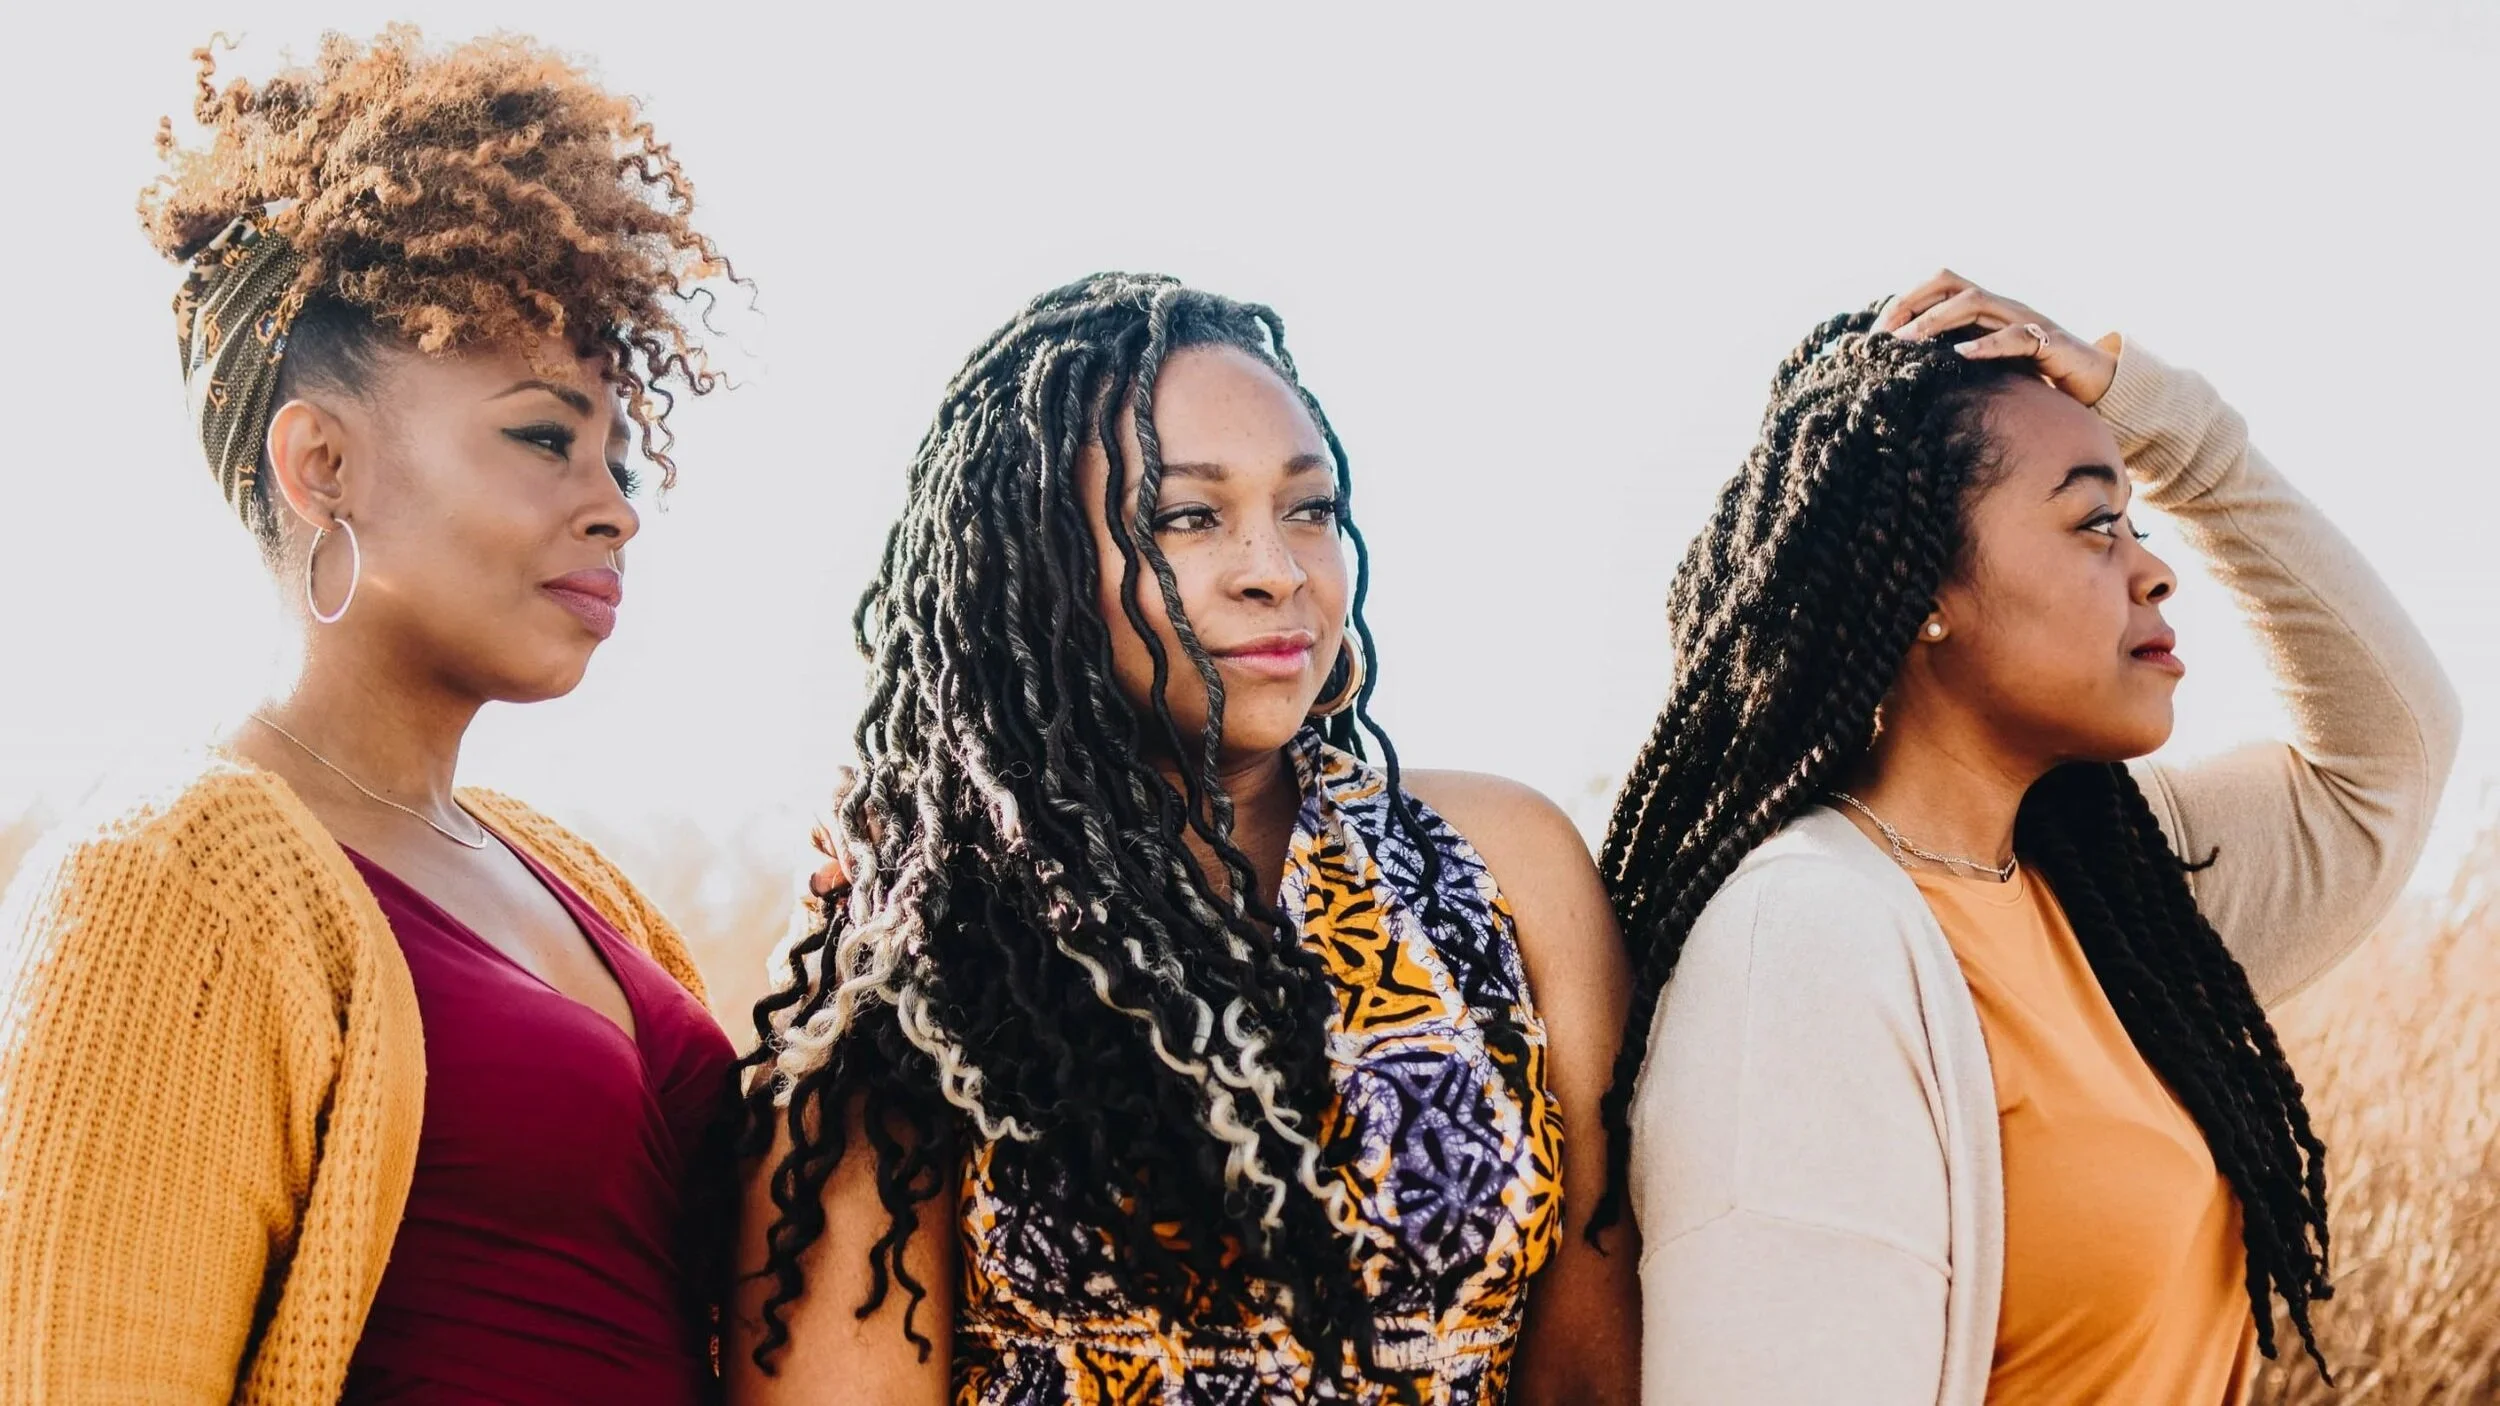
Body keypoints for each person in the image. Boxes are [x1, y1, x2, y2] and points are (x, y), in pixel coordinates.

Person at [729, 274, 1639, 1405]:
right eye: (1187, 518)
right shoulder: (924, 944)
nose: (1277, 569)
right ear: (1034, 564)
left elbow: (1591, 1364)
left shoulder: (1498, 866)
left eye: (1310, 508)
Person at [0, 29, 742, 1403]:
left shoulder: (581, 885)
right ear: (323, 461)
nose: (614, 510)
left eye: (621, 460)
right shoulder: (167, 875)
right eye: (544, 436)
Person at [1597, 270, 2460, 1404]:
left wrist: (2164, 430)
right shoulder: (1802, 945)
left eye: (2138, 523)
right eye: (2095, 522)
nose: (2155, 569)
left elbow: (2387, 754)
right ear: (1922, 588)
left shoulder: (2113, 888)